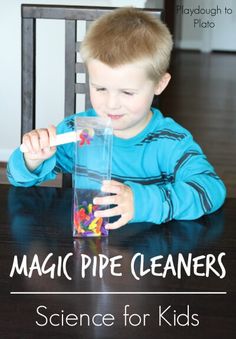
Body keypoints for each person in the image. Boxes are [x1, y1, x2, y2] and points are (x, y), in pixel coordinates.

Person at [7, 7, 226, 230]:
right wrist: (32, 160)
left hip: (152, 253)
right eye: (100, 88)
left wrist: (141, 202)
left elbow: (211, 190)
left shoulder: (171, 141)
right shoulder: (80, 133)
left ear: (159, 84)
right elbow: (16, 178)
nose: (111, 104)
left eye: (127, 92)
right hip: (91, 250)